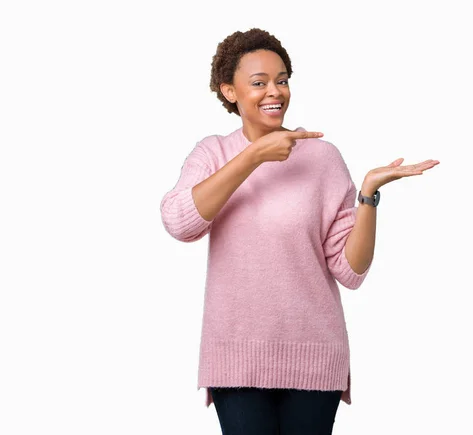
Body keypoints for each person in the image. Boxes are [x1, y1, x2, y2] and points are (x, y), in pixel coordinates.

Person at [160, 28, 440, 435]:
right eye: (258, 83)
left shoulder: (322, 158)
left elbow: (350, 270)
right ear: (230, 91)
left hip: (314, 358)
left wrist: (367, 196)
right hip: (236, 358)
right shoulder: (214, 153)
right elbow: (179, 222)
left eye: (282, 79)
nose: (274, 91)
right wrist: (253, 155)